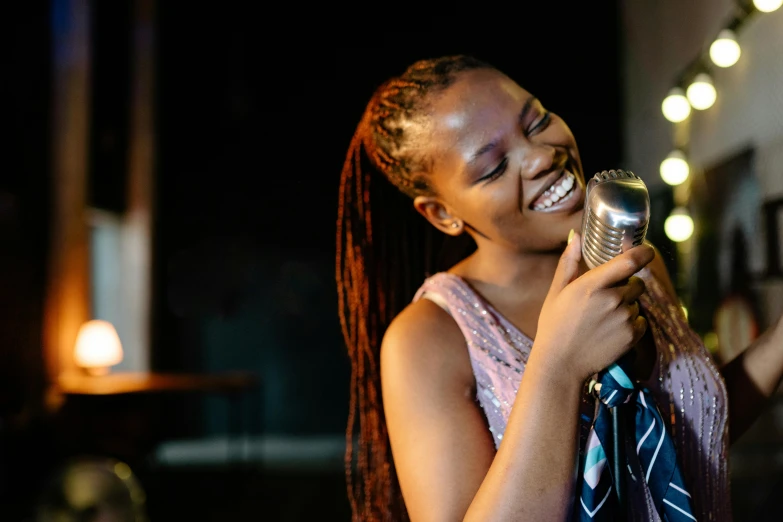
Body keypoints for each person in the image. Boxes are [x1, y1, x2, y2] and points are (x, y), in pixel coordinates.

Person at [336, 55, 783, 521]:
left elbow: (684, 446)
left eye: (537, 121)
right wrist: (558, 366)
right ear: (442, 214)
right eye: (492, 168)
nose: (542, 155)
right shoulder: (428, 337)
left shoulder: (634, 263)